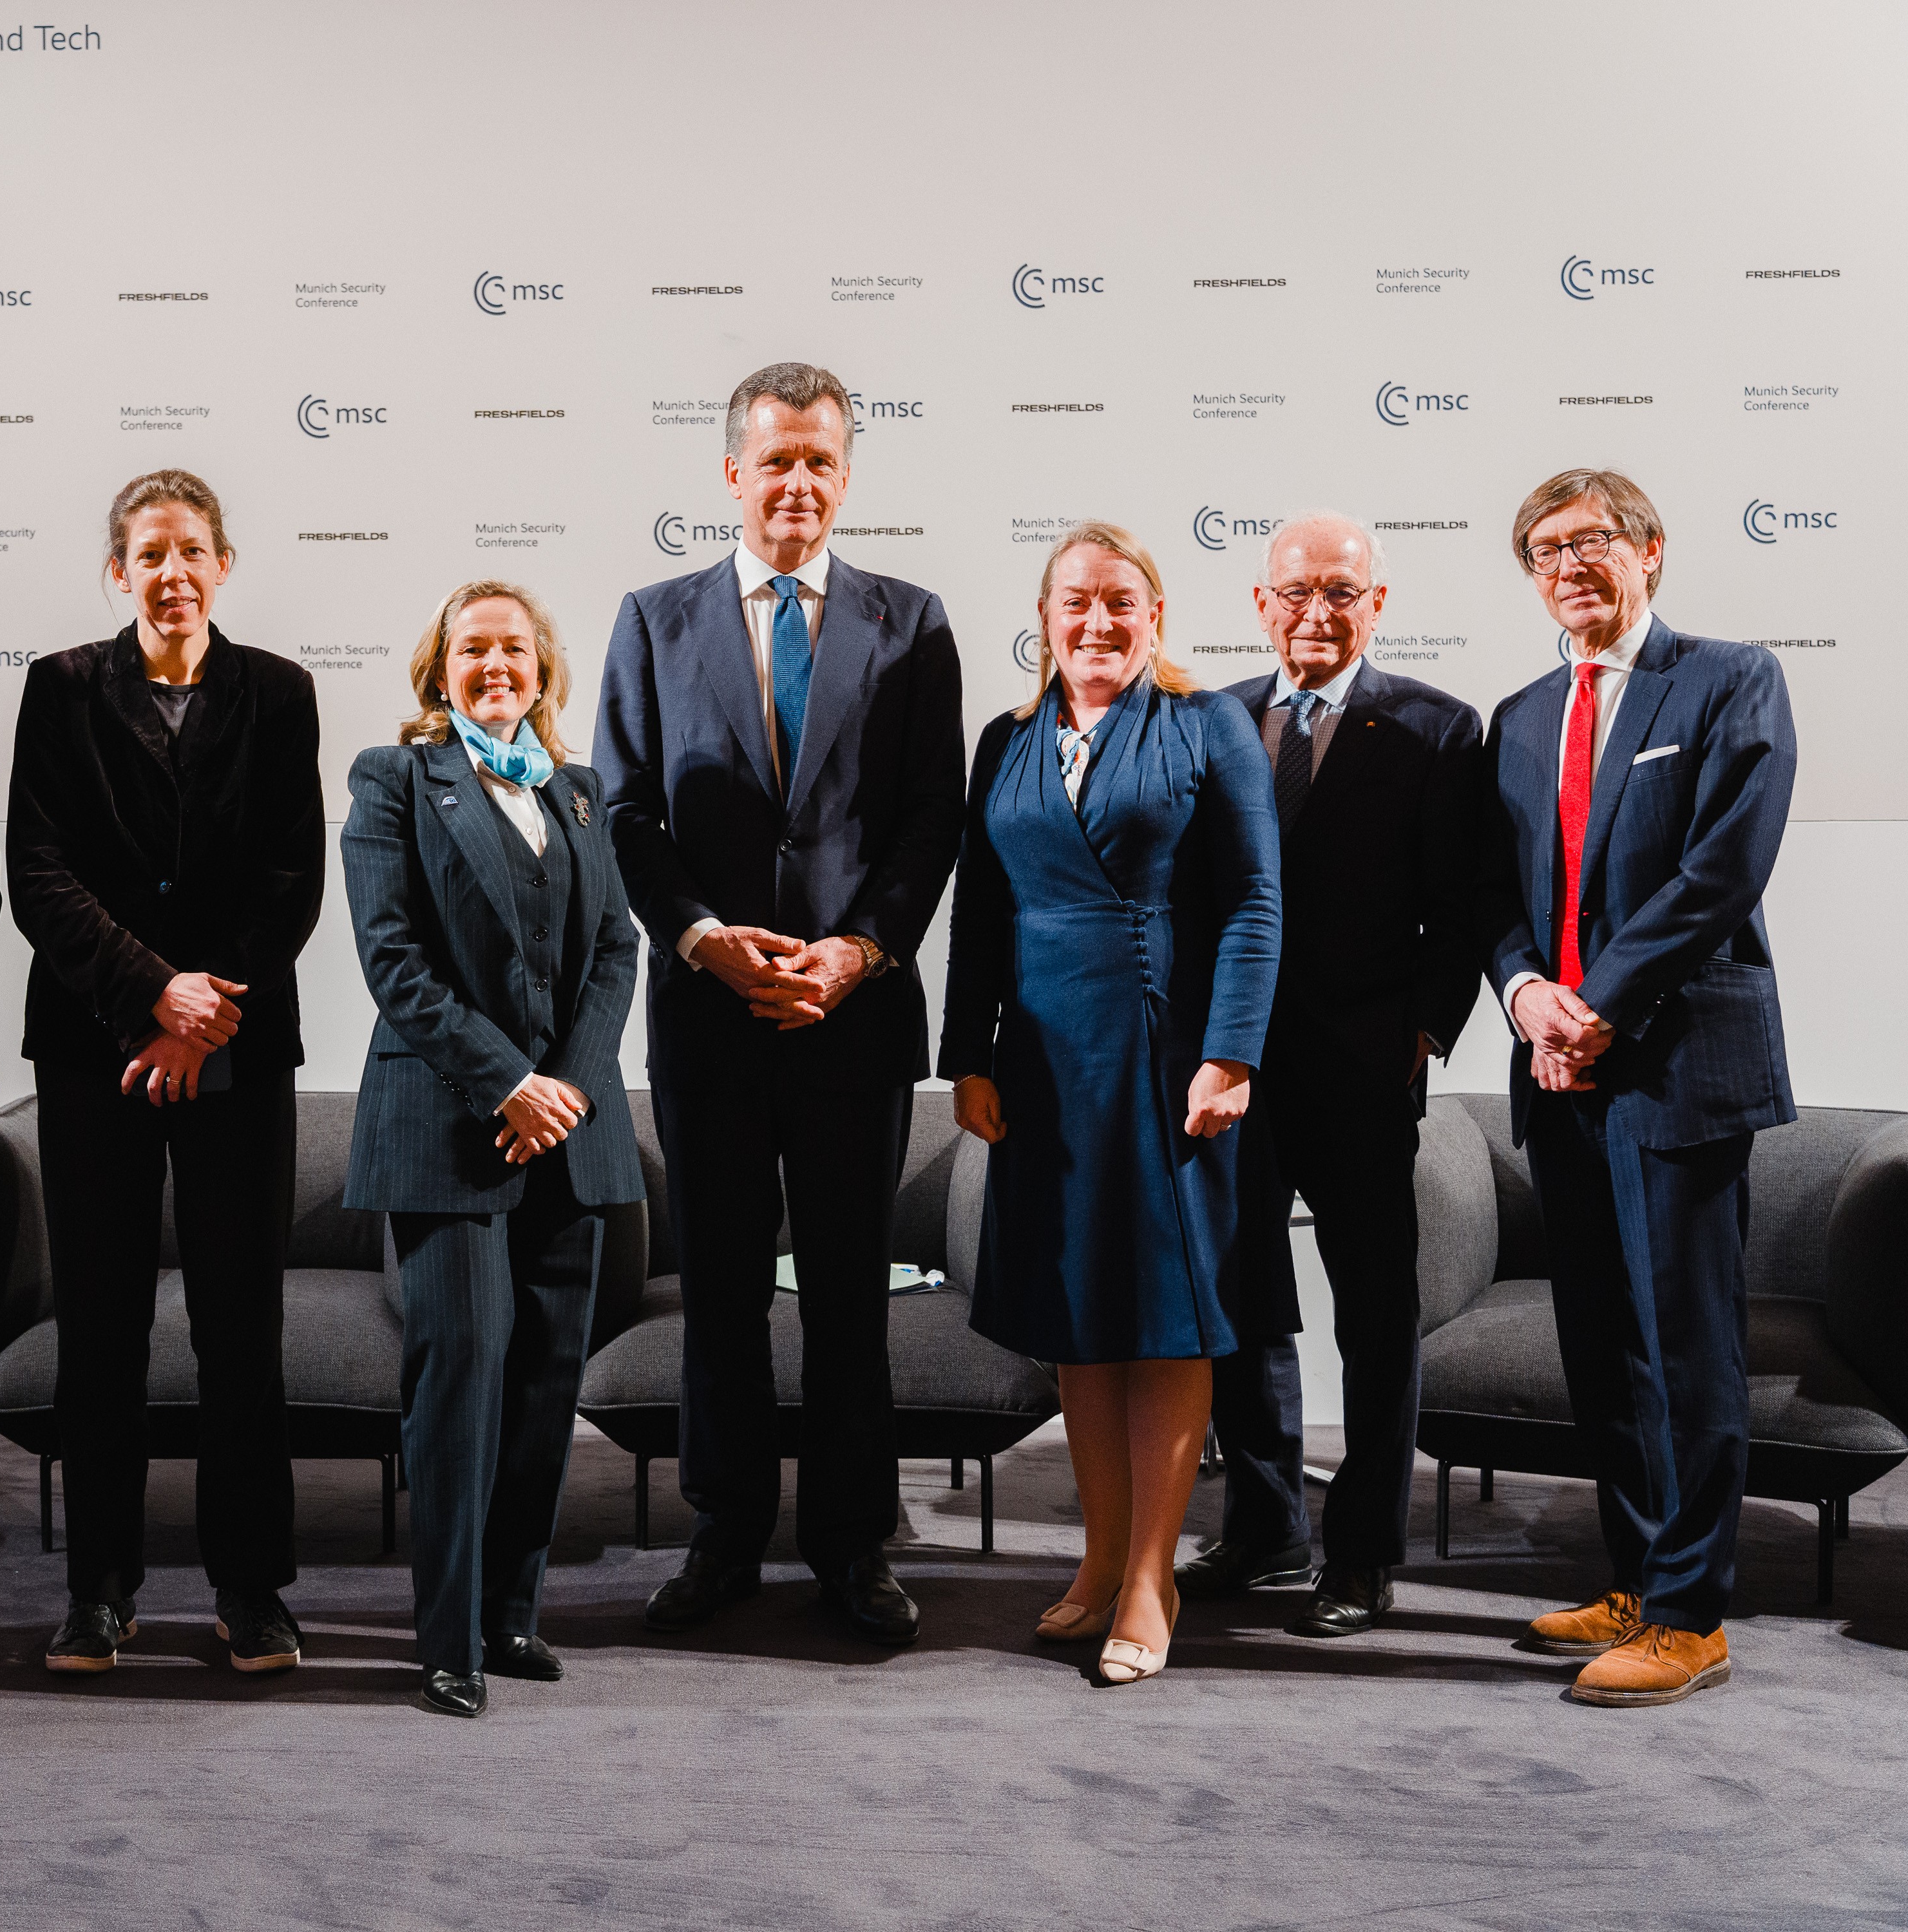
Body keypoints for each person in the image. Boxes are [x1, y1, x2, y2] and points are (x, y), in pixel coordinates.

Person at [595, 361, 964, 1645]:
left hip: (854, 1022)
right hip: (710, 1019)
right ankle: (725, 1534)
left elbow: (931, 818)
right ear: (732, 473)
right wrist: (704, 941)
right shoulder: (654, 622)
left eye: (820, 461)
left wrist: (858, 953)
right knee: (722, 1292)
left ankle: (854, 1545)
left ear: (846, 476)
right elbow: (626, 812)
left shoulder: (912, 622)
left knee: (854, 1294)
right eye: (775, 460)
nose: (797, 482)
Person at [939, 522, 1279, 1685]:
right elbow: (979, 909)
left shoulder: (1207, 723)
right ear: (1044, 618)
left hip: (1162, 1052)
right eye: (1076, 602)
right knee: (1078, 1316)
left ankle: (1149, 1576)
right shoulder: (1007, 739)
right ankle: (1097, 1559)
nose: (1097, 621)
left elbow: (1254, 900)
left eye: (1120, 602)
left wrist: (1230, 1054)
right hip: (1041, 1060)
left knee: (1165, 1316)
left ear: (1156, 616)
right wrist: (967, 1056)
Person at [1479, 469, 1795, 1707]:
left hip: (1675, 1065)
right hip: (1555, 1068)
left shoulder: (1727, 679)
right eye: (1545, 551)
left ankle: (1690, 1617)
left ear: (1649, 549)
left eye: (1593, 541)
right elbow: (1494, 896)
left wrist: (1597, 1005)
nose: (1571, 567)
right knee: (1604, 1348)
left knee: (1685, 1345)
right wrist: (1528, 999)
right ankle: (1636, 1579)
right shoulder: (1518, 716)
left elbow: (1723, 871)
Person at [4, 469, 323, 1676]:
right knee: (101, 1327)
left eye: (192, 550)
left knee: (244, 1326)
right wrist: (151, 994)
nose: (172, 572)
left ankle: (252, 1589)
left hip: (236, 1045)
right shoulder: (61, 688)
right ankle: (100, 1591)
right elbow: (38, 872)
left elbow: (292, 878)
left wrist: (202, 1015)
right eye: (150, 553)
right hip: (96, 1048)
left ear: (223, 564)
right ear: (119, 571)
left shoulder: (280, 692)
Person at [341, 581, 644, 1719]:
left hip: (571, 1134)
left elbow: (615, 951)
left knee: (544, 1382)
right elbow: (393, 957)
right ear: (441, 669)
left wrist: (566, 1086)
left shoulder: (579, 791)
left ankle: (512, 1615)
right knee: (461, 1376)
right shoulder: (392, 779)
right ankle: (449, 1638)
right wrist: (508, 1083)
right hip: (447, 1131)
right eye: (473, 649)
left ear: (543, 666)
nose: (496, 665)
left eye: (514, 647)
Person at [1182, 515, 1483, 1637]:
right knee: (1243, 1305)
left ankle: (1361, 1555)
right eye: (1296, 591)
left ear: (1378, 604)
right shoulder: (1211, 719)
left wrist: (1423, 1035)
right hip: (1233, 1072)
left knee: (1376, 1315)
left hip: (1362, 1071)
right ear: (1261, 604)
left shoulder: (1437, 728)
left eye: (1341, 592)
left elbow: (1461, 906)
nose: (1317, 611)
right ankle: (1264, 1530)